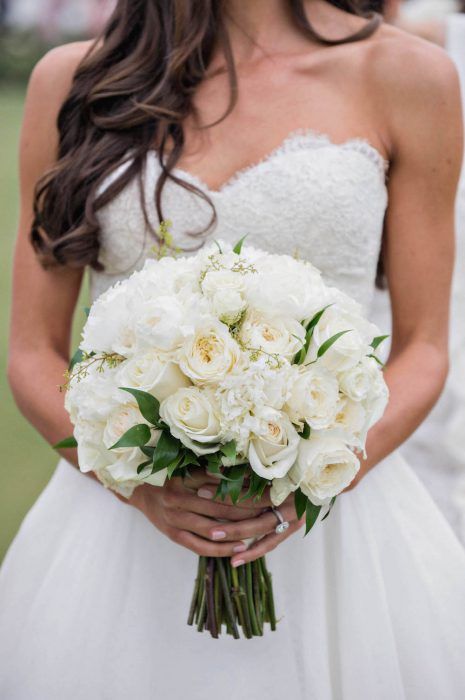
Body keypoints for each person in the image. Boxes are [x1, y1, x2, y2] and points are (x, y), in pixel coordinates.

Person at [1, 1, 465, 698]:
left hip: (337, 528)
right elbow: (33, 352)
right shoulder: (73, 82)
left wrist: (318, 469)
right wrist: (137, 485)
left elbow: (424, 347)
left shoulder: (409, 76)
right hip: (120, 529)